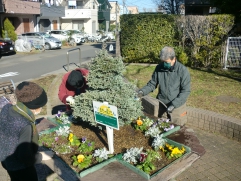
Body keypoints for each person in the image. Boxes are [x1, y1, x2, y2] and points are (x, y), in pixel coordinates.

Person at [0, 81, 54, 181]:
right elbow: (25, 157)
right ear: (34, 106)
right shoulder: (25, 125)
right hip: (21, 168)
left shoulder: (6, 108)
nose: (41, 109)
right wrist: (42, 157)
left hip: (6, 159)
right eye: (41, 106)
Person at [138, 46, 191, 126]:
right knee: (162, 127)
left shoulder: (182, 71)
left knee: (176, 132)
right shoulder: (159, 68)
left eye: (166, 62)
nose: (164, 64)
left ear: (174, 59)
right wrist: (142, 91)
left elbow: (186, 91)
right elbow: (152, 84)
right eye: (163, 62)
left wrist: (174, 104)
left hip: (177, 107)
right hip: (162, 105)